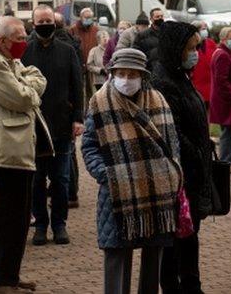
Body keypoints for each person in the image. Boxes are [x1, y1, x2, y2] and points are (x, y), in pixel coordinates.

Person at [82, 48, 183, 294]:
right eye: (121, 74)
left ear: (142, 76)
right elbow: (89, 145)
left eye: (132, 74)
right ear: (112, 73)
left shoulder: (158, 101)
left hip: (156, 191)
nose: (126, 80)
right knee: (117, 254)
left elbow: (172, 144)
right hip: (117, 192)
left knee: (152, 254)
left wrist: (171, 173)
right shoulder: (99, 102)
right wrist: (106, 175)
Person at [0, 16, 50, 293]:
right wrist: (30, 90)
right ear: (3, 40)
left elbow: (36, 76)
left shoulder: (6, 58)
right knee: (8, 219)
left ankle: (9, 276)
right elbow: (21, 98)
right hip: (4, 149)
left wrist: (26, 85)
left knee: (18, 218)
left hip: (17, 148)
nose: (24, 43)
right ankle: (1, 281)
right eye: (19, 38)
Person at [151, 21, 213, 294]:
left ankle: (191, 284)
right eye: (190, 48)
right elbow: (171, 130)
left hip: (194, 168)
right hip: (179, 172)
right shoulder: (163, 82)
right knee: (175, 238)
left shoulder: (182, 77)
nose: (195, 53)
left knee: (190, 234)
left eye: (197, 47)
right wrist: (196, 153)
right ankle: (174, 286)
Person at [22, 5, 83, 246]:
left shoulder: (67, 51)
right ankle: (40, 225)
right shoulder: (24, 51)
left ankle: (59, 224)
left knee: (61, 179)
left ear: (54, 23)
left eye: (49, 20)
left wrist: (78, 117)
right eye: (41, 21)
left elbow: (77, 85)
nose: (45, 24)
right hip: (34, 127)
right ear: (33, 23)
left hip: (61, 125)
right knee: (36, 180)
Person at [210, 27, 231, 174]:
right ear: (224, 39)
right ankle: (226, 162)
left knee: (228, 131)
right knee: (229, 133)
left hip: (224, 100)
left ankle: (226, 161)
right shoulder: (223, 55)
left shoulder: (223, 53)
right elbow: (221, 80)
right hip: (226, 101)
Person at [190, 21, 217, 110]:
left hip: (210, 83)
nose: (205, 31)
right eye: (203, 29)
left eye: (206, 29)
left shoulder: (211, 43)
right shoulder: (190, 45)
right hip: (196, 84)